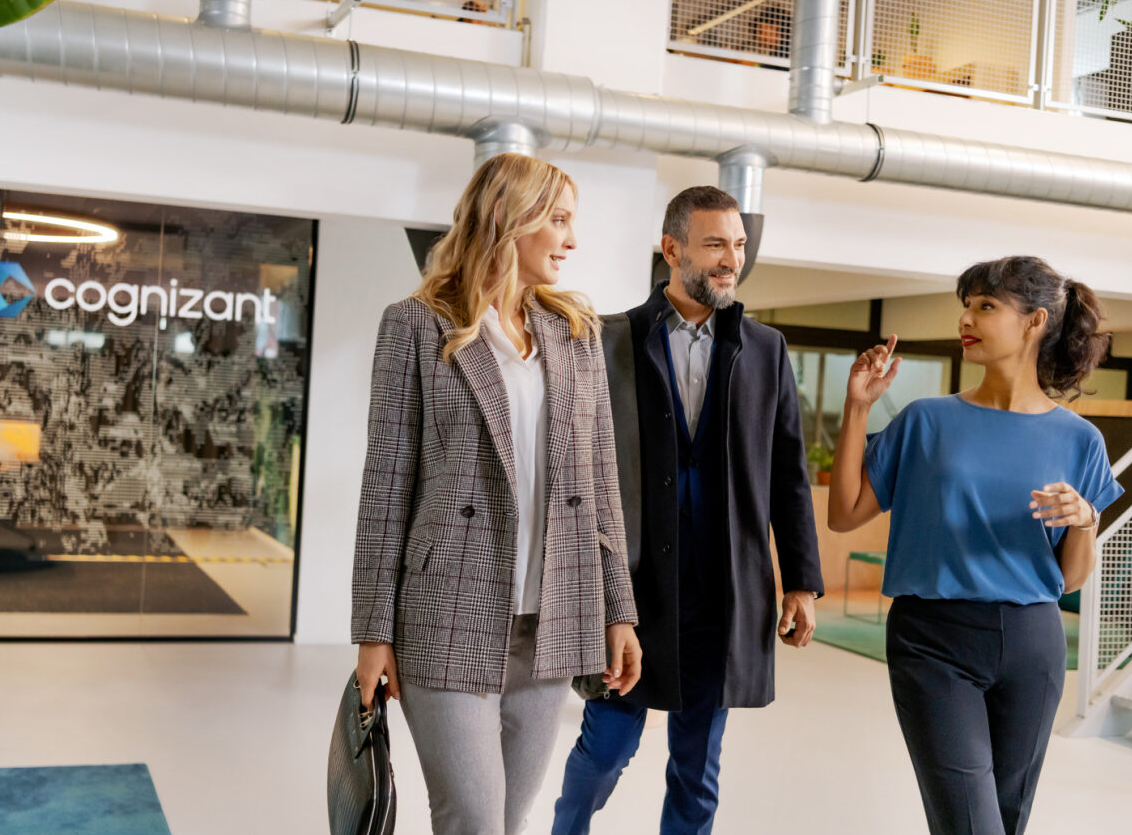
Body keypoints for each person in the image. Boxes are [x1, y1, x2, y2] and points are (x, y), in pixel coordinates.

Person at [350, 153, 642, 835]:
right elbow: (385, 485)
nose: (572, 239)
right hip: (447, 608)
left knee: (509, 822)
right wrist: (372, 631)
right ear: (512, 218)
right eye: (559, 220)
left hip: (552, 621)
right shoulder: (416, 325)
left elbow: (601, 486)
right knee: (473, 821)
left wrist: (618, 610)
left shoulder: (576, 333)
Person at [552, 185, 825, 835]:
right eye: (713, 246)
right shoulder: (607, 339)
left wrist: (802, 581)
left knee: (697, 766)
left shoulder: (766, 349)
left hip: (722, 591)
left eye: (737, 245)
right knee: (607, 747)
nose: (729, 259)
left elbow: (787, 473)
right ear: (671, 249)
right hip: (632, 588)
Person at [827, 256, 1123, 835]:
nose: (967, 318)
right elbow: (844, 514)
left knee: (1007, 823)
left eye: (986, 306)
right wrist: (858, 406)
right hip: (932, 642)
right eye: (966, 305)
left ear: (1036, 321)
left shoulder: (1081, 439)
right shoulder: (925, 421)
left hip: (1034, 646)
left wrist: (1086, 521)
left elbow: (1070, 579)